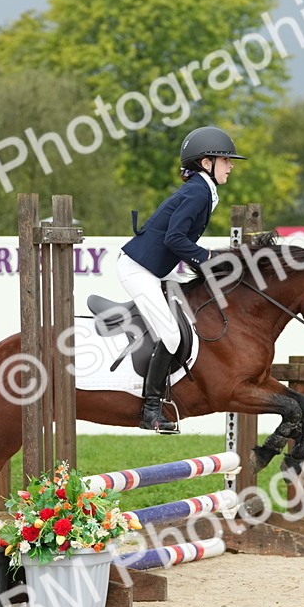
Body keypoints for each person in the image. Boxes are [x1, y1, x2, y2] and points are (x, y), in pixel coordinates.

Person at [119, 126, 246, 433]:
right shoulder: (198, 191)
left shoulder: (202, 190)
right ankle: (150, 410)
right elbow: (176, 238)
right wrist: (208, 259)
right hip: (138, 269)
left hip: (153, 270)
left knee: (184, 326)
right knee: (172, 335)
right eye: (225, 160)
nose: (230, 165)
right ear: (206, 163)